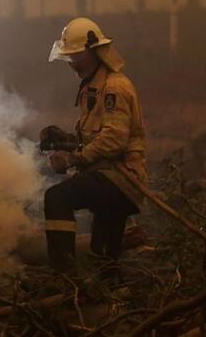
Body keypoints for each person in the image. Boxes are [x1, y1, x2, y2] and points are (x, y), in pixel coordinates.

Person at [40, 17, 148, 272]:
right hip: (109, 181)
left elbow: (113, 140)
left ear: (93, 51)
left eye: (76, 56)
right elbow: (95, 137)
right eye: (69, 57)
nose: (72, 64)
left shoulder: (114, 88)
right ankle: (109, 298)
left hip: (120, 181)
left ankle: (62, 276)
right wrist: (66, 141)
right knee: (104, 262)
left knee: (56, 197)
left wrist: (72, 159)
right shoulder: (93, 88)